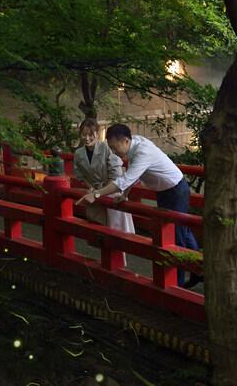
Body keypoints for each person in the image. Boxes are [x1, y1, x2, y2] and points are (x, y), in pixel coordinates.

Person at [75, 123, 203, 288]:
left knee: (175, 237)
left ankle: (177, 283)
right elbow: (133, 176)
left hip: (175, 190)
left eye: (115, 148)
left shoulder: (142, 151)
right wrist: (125, 195)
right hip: (164, 190)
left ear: (126, 141)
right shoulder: (134, 146)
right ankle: (199, 270)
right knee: (180, 232)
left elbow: (124, 179)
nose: (114, 152)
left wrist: (97, 194)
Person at [73, 119, 135, 264]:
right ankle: (106, 262)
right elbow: (80, 175)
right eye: (84, 135)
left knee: (116, 232)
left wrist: (100, 191)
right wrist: (90, 187)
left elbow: (116, 175)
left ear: (97, 134)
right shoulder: (79, 153)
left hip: (111, 192)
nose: (87, 138)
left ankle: (119, 264)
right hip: (94, 192)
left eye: (91, 135)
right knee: (99, 230)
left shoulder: (107, 148)